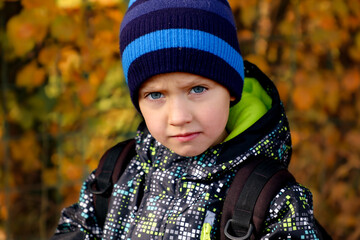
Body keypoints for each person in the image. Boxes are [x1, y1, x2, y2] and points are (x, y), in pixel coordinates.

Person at [52, 0, 322, 239]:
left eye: (197, 89)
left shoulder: (270, 200)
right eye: (156, 95)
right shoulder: (115, 177)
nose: (179, 117)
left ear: (231, 90)